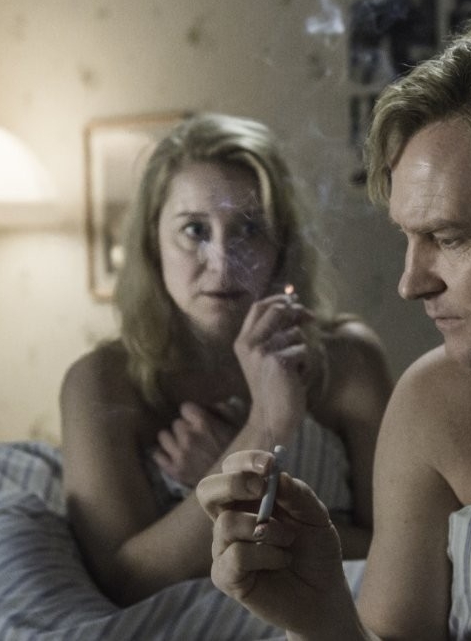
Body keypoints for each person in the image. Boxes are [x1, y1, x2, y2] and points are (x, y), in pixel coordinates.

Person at [197, 2, 471, 640]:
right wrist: (321, 615)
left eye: (448, 237)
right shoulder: (433, 407)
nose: (411, 283)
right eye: (408, 238)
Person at [60, 113, 393, 606]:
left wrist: (239, 495)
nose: (221, 261)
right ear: (153, 241)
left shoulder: (348, 359)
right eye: (194, 229)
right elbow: (124, 582)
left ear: (280, 243)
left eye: (249, 229)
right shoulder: (101, 382)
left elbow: (400, 549)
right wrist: (265, 425)